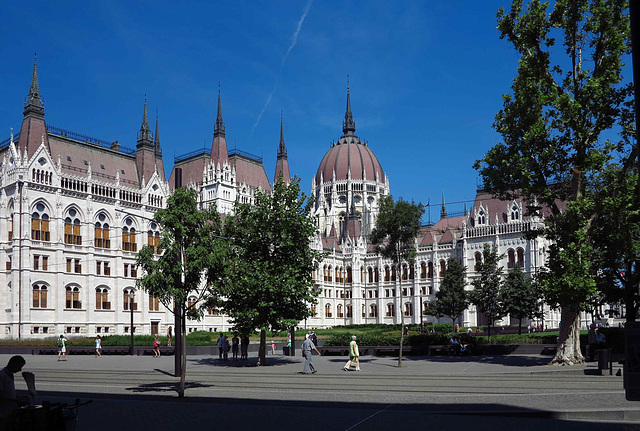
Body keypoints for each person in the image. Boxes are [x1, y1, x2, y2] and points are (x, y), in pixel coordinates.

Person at [0, 355, 28, 430]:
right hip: (3, 413)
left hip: (9, 411)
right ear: (13, 364)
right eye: (19, 366)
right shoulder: (2, 375)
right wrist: (15, 400)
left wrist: (17, 397)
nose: (20, 369)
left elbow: (7, 392)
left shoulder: (9, 374)